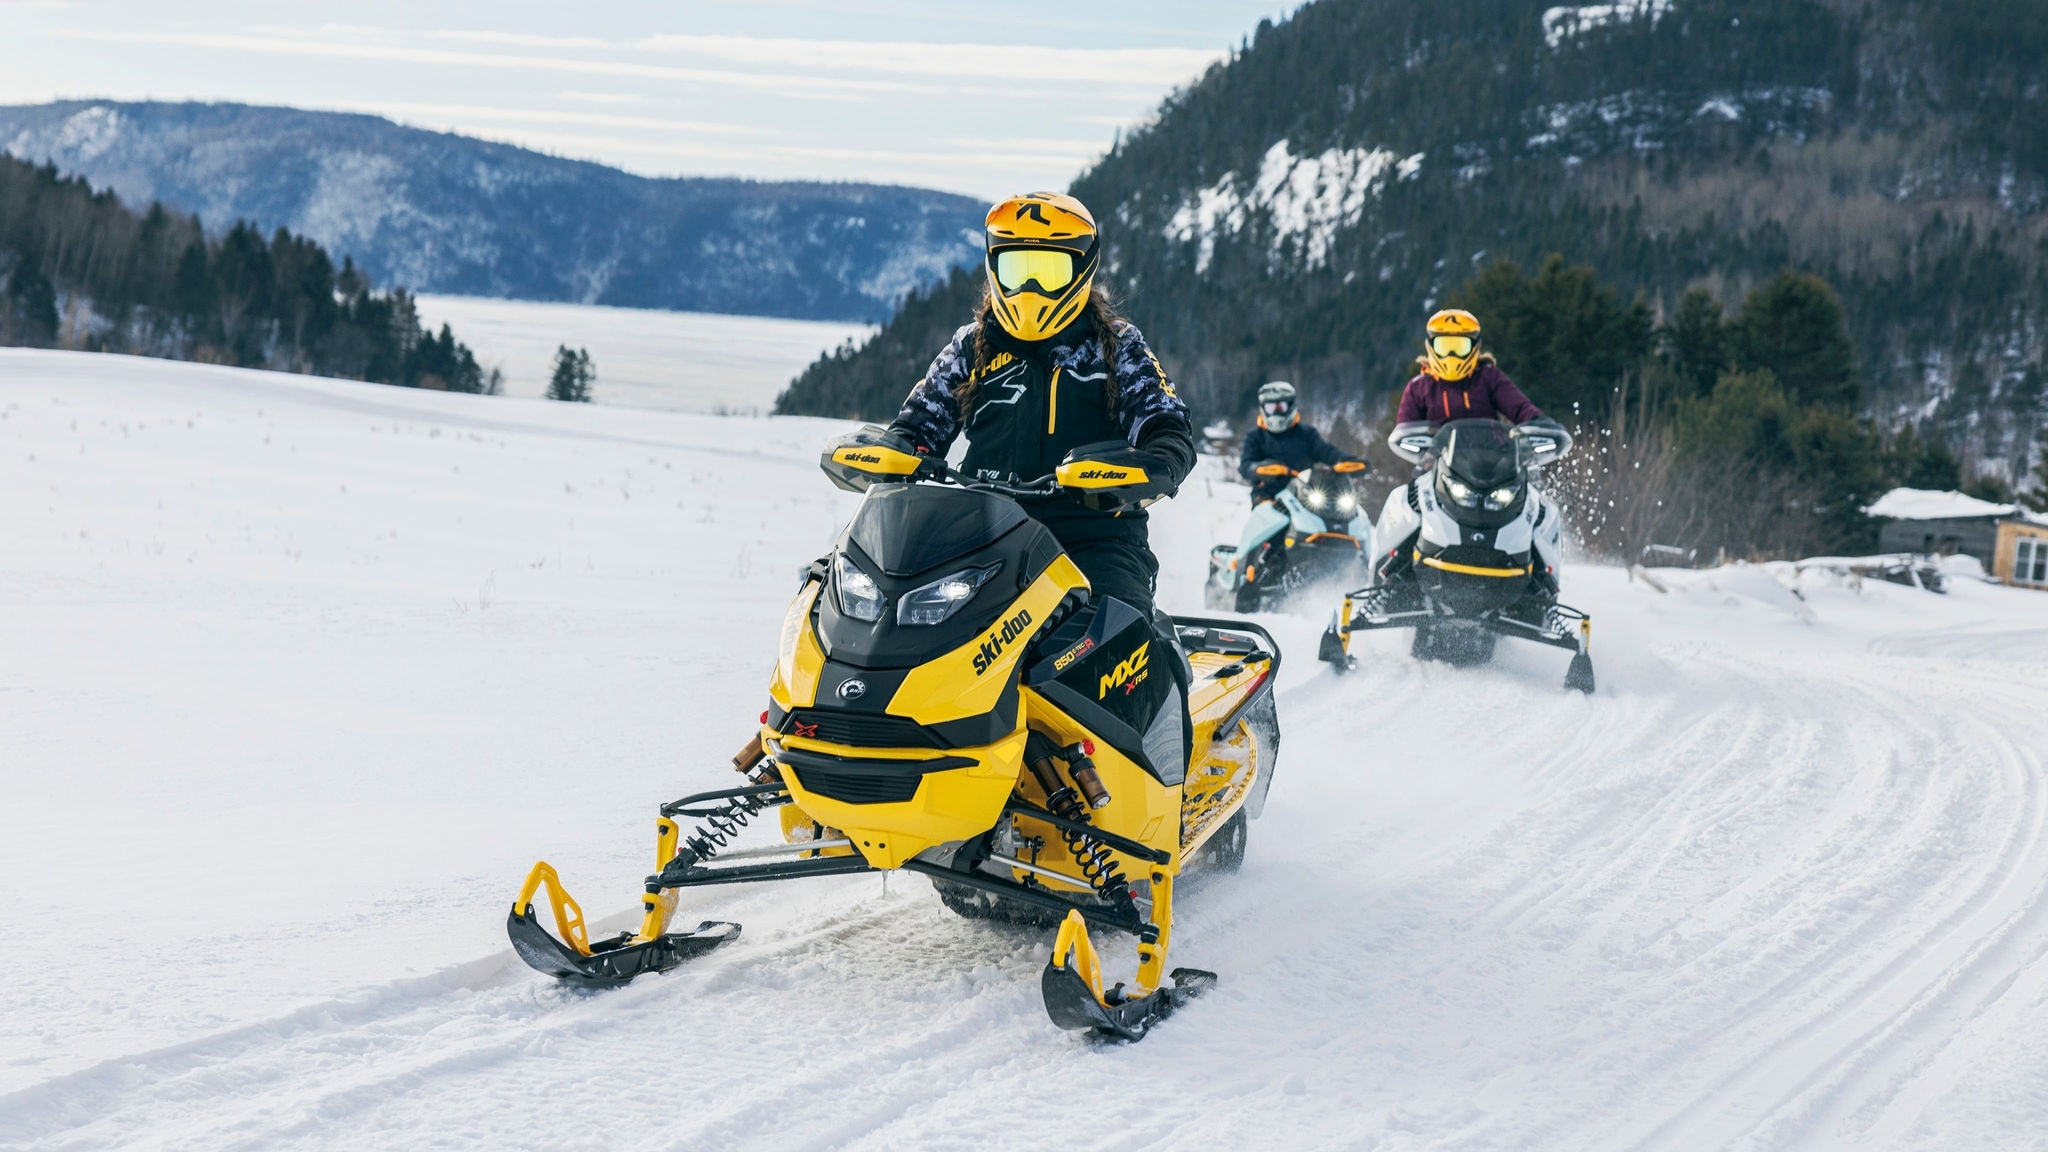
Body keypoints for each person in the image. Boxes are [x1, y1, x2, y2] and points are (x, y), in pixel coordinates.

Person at [885, 192, 1196, 616]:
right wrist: (898, 451)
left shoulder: (1117, 347)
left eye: (1048, 273)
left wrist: (1154, 465)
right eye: (1018, 270)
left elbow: (1164, 423)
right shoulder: (971, 345)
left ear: (1081, 272)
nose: (1030, 289)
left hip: (1094, 536)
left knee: (1115, 634)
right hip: (982, 530)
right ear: (995, 267)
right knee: (904, 621)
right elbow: (919, 423)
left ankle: (1161, 675)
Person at [1396, 309, 1544, 426]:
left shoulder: (1488, 377)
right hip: (1436, 460)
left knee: (1528, 464)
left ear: (1474, 347)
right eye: (1444, 347)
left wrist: (1537, 422)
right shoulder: (1418, 387)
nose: (1451, 355)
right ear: (1431, 347)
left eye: (1460, 347)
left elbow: (1518, 406)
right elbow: (1405, 430)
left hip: (1493, 458)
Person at [1236, 381, 1354, 503]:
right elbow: (1245, 466)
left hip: (1305, 495)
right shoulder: (1254, 437)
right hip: (1267, 496)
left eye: (1281, 407)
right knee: (1267, 518)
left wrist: (1346, 460)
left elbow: (1326, 451)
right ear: (1263, 409)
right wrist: (1258, 469)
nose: (1276, 412)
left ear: (1290, 406)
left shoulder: (1307, 433)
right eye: (1271, 408)